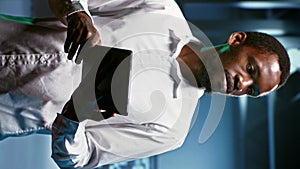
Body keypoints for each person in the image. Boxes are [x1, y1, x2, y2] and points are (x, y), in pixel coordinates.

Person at [0, 0, 290, 168]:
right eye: (250, 67)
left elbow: (78, 158)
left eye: (251, 90)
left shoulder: (171, 131)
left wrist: (74, 115)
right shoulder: (161, 8)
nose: (242, 82)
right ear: (236, 40)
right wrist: (77, 14)